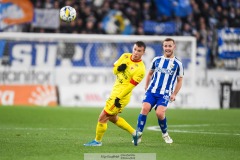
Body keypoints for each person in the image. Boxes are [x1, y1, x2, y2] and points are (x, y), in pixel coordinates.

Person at [84, 41, 146, 146]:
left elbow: (130, 87)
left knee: (102, 117)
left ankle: (97, 141)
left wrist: (118, 98)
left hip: (121, 96)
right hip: (115, 92)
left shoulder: (141, 69)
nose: (136, 52)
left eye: (139, 51)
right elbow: (114, 71)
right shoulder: (125, 56)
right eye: (135, 49)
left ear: (143, 52)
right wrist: (118, 68)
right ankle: (135, 134)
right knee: (113, 118)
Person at [134, 38, 184, 145]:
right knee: (144, 108)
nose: (167, 48)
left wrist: (174, 93)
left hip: (165, 93)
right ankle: (138, 134)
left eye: (170, 46)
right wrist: (146, 86)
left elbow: (180, 80)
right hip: (152, 91)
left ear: (174, 47)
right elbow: (150, 73)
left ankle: (165, 134)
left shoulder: (177, 64)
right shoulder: (156, 60)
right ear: (163, 47)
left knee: (160, 113)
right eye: (165, 46)